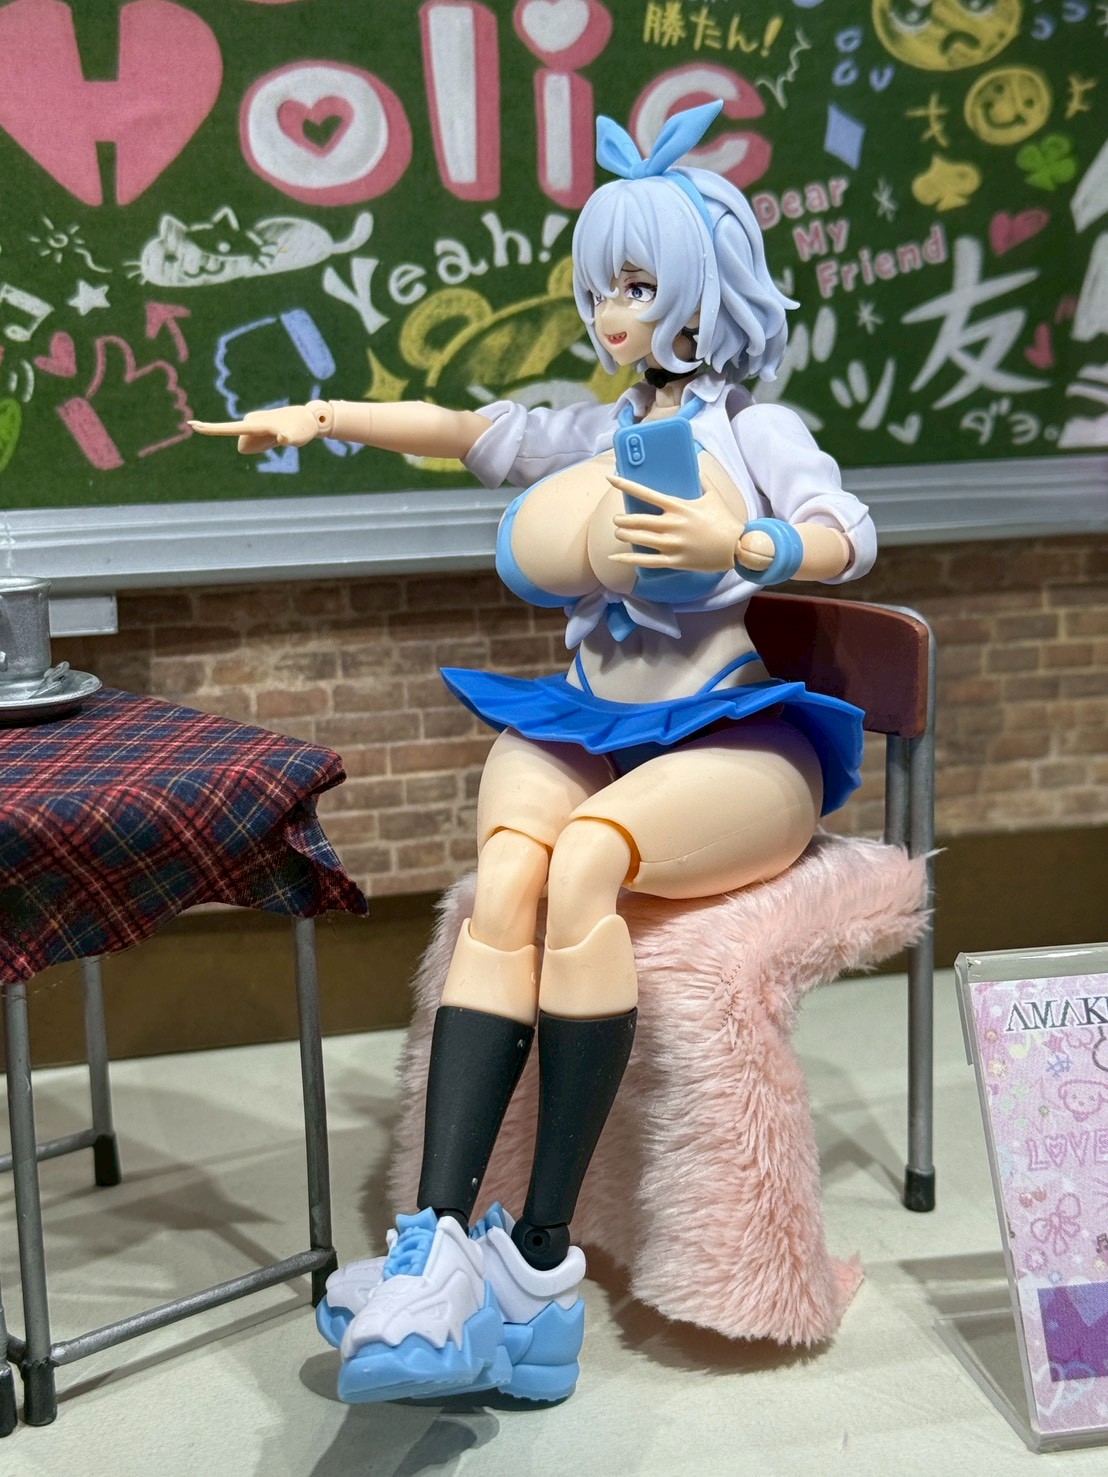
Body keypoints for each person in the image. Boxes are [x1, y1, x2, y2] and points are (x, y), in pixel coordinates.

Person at [192, 100, 877, 1406]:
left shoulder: (754, 432)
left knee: (589, 865)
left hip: (731, 729)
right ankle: (436, 1242)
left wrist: (749, 547)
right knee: (510, 872)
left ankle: (540, 1260)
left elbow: (846, 528)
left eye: (637, 286)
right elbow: (464, 429)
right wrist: (323, 415)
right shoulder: (591, 430)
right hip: (585, 716)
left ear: (703, 290)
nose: (611, 314)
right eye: (600, 287)